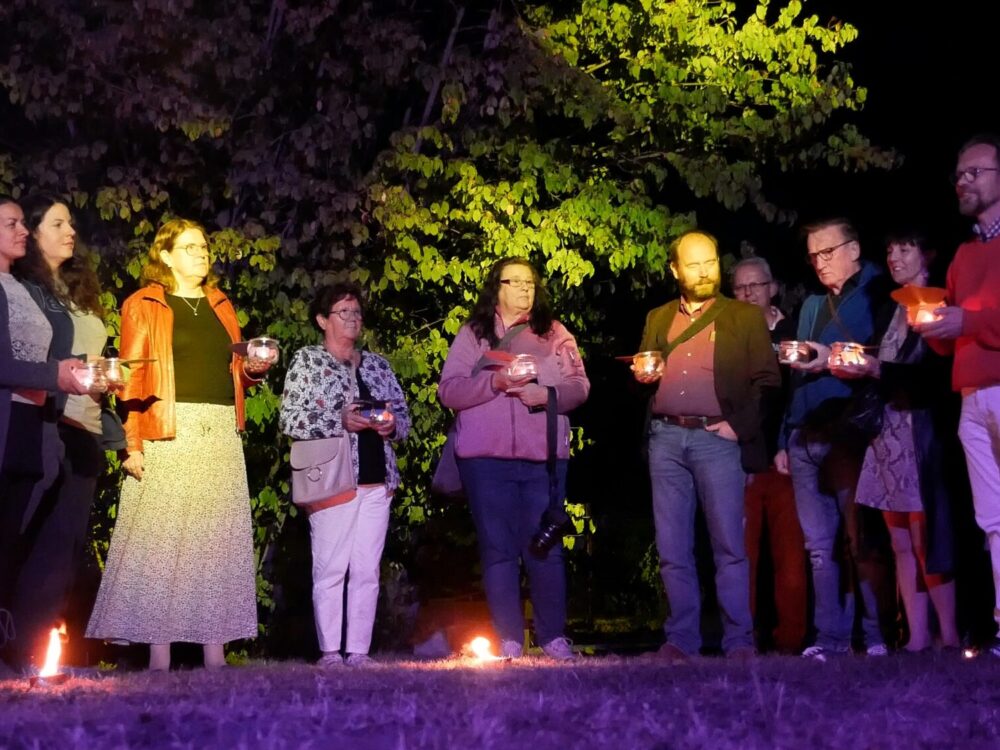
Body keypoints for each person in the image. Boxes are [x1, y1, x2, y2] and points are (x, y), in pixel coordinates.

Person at [85, 218, 273, 670]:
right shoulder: (144, 304)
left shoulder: (221, 304)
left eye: (204, 246)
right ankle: (159, 657)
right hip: (170, 428)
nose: (202, 254)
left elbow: (233, 373)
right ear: (166, 256)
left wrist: (253, 369)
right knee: (162, 541)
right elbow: (132, 379)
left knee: (215, 540)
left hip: (221, 427)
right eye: (190, 247)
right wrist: (132, 445)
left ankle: (215, 653)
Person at [635, 231, 779, 662]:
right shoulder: (658, 317)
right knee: (672, 547)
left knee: (729, 547)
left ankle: (738, 641)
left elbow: (768, 381)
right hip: (666, 437)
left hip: (717, 439)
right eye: (693, 264)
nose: (703, 271)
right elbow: (647, 364)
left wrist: (740, 427)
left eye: (710, 261)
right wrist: (644, 375)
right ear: (675, 270)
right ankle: (681, 639)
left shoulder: (743, 316)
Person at [438, 257, 589, 660]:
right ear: (497, 287)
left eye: (530, 282)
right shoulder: (474, 335)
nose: (525, 289)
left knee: (545, 547)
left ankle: (553, 636)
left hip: (543, 459)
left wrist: (548, 396)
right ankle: (507, 638)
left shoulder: (555, 333)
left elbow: (580, 386)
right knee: (498, 548)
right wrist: (494, 382)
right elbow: (449, 391)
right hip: (485, 461)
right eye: (515, 281)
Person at [831, 231, 959, 652]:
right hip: (886, 434)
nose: (894, 257)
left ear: (927, 254)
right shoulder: (892, 306)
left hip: (920, 432)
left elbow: (933, 380)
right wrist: (857, 366)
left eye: (905, 248)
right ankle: (917, 636)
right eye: (889, 249)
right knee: (899, 541)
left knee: (927, 539)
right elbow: (882, 365)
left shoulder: (939, 303)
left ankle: (950, 633)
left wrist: (875, 371)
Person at [777, 217, 892, 660]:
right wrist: (785, 434)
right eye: (813, 256)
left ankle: (877, 633)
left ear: (854, 248)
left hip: (848, 428)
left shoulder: (878, 293)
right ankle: (830, 638)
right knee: (819, 548)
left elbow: (886, 353)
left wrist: (828, 360)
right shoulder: (810, 306)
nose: (820, 263)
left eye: (828, 253)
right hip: (806, 431)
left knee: (859, 537)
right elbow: (798, 373)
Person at [6, 193, 112, 671]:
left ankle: (33, 653)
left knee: (59, 550)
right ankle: (18, 649)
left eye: (71, 223)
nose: (71, 232)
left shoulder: (70, 293)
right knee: (22, 539)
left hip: (74, 428)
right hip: (39, 422)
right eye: (58, 223)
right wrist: (65, 374)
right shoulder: (23, 290)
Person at [279, 282, 410, 667]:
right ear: (322, 320)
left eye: (356, 313)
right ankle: (330, 652)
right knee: (331, 566)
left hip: (376, 480)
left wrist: (390, 425)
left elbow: (403, 415)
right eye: (343, 312)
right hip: (333, 477)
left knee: (367, 569)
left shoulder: (377, 364)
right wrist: (339, 420)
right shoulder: (308, 361)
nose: (353, 319)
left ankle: (359, 652)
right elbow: (291, 418)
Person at [916, 133, 1000, 655]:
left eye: (975, 172)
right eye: (959, 175)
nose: (962, 182)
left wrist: (965, 320)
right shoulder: (964, 255)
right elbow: (956, 343)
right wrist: (935, 330)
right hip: (971, 398)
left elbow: (975, 322)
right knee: (991, 519)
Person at [731, 257, 807, 654]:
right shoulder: (727, 336)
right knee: (740, 557)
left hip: (785, 458)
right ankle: (743, 640)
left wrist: (790, 442)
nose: (747, 294)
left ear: (772, 288)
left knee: (791, 556)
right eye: (740, 289)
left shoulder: (795, 331)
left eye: (754, 286)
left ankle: (791, 641)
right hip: (740, 460)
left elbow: (800, 392)